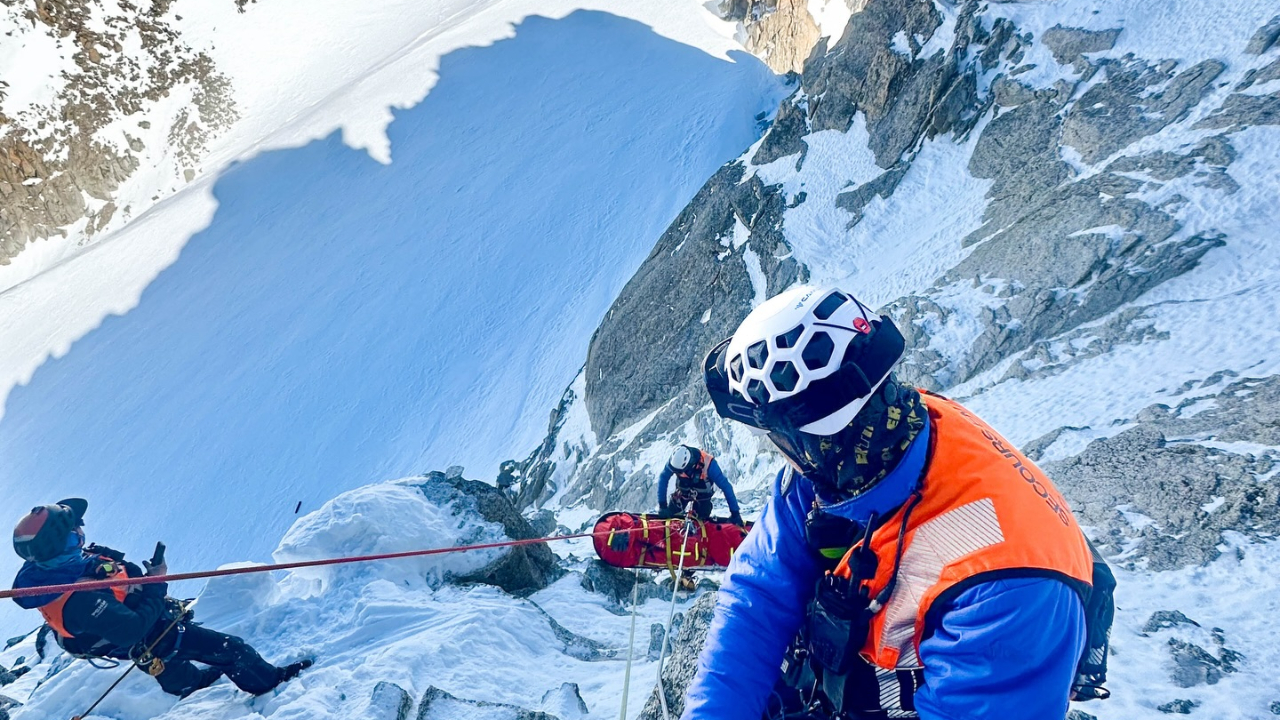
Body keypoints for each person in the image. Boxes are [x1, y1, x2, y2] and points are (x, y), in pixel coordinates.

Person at [686, 285, 1112, 720]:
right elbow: (757, 596)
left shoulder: (1007, 589)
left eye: (777, 440)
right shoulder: (849, 457)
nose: (780, 456)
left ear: (814, 437)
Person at [11, 499, 312, 698]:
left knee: (168, 664)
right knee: (233, 650)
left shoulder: (50, 570)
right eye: (74, 534)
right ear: (62, 544)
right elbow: (134, 629)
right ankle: (270, 685)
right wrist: (158, 581)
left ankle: (187, 684)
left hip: (117, 632)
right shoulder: (80, 599)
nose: (81, 533)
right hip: (140, 632)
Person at [658, 446, 743, 527]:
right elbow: (663, 478)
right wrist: (663, 506)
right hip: (683, 492)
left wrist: (735, 512)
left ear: (690, 465)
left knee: (700, 519)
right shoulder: (675, 461)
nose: (679, 474)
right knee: (671, 513)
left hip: (702, 496)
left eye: (680, 472)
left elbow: (726, 487)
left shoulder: (709, 464)